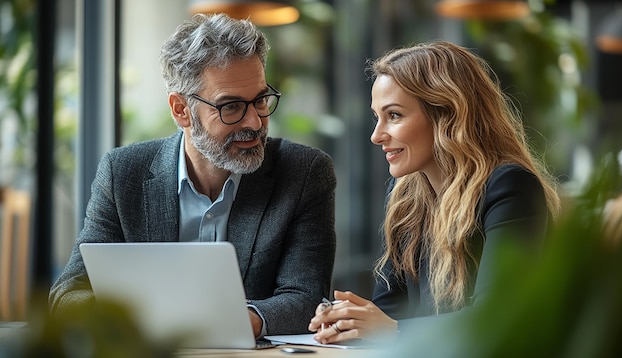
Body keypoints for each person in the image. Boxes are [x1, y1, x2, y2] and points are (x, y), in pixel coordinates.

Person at [49, 13, 337, 338]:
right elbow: (69, 293)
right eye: (230, 107)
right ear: (181, 110)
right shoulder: (123, 173)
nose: (254, 122)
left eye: (259, 100)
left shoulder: (304, 172)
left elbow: (308, 298)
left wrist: (235, 322)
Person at [308, 41, 560, 344]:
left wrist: (390, 329)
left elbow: (498, 318)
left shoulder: (510, 186)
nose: (377, 136)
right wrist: (348, 323)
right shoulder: (406, 196)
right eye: (377, 117)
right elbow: (390, 308)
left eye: (395, 115)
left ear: (446, 115)